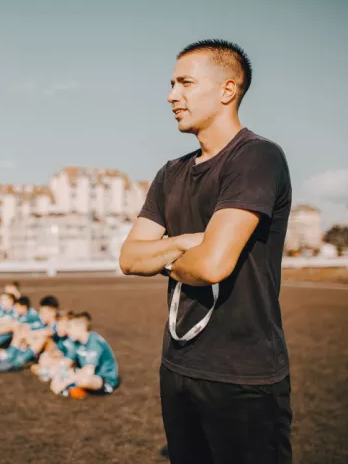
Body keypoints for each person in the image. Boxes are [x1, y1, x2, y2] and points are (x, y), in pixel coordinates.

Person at [119, 39, 292, 464]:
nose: (171, 95)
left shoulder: (256, 158)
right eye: (171, 84)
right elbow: (128, 258)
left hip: (243, 376)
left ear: (227, 90)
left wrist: (160, 255)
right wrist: (182, 243)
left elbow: (214, 264)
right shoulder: (171, 172)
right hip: (177, 367)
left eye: (185, 83)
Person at [49, 312, 119, 399]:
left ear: (80, 328)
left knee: (84, 380)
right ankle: (74, 388)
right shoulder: (76, 341)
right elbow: (67, 362)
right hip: (85, 372)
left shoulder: (94, 343)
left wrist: (65, 381)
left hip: (104, 379)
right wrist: (57, 375)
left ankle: (73, 387)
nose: (67, 331)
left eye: (70, 327)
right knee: (60, 371)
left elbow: (89, 372)